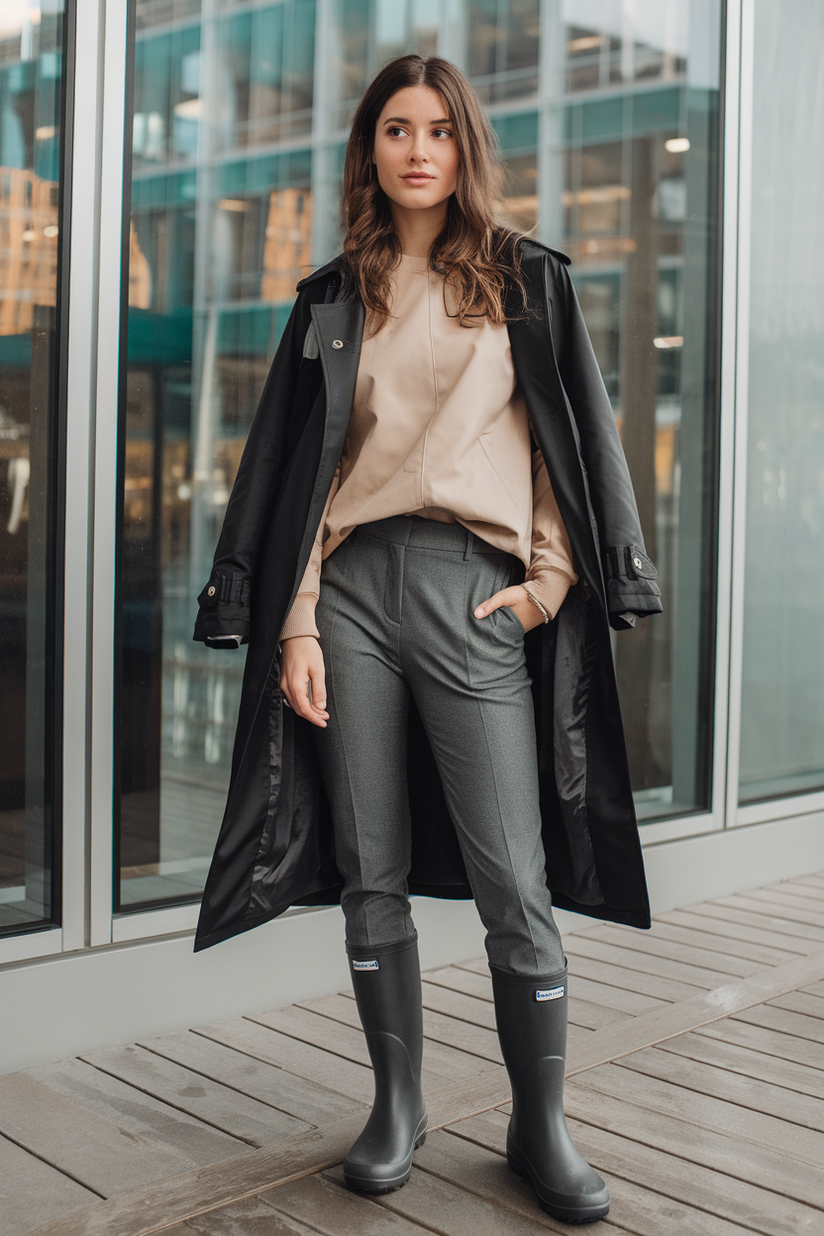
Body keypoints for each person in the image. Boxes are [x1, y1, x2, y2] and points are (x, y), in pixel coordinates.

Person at [192, 54, 661, 1225]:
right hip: (347, 592)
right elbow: (305, 474)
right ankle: (393, 1106)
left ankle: (534, 1124)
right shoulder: (333, 296)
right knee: (372, 873)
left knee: (515, 878)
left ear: (465, 150)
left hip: (469, 591)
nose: (417, 150)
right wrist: (294, 614)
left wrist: (551, 582)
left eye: (438, 131)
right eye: (395, 129)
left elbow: (570, 443)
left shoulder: (521, 281)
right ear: (370, 149)